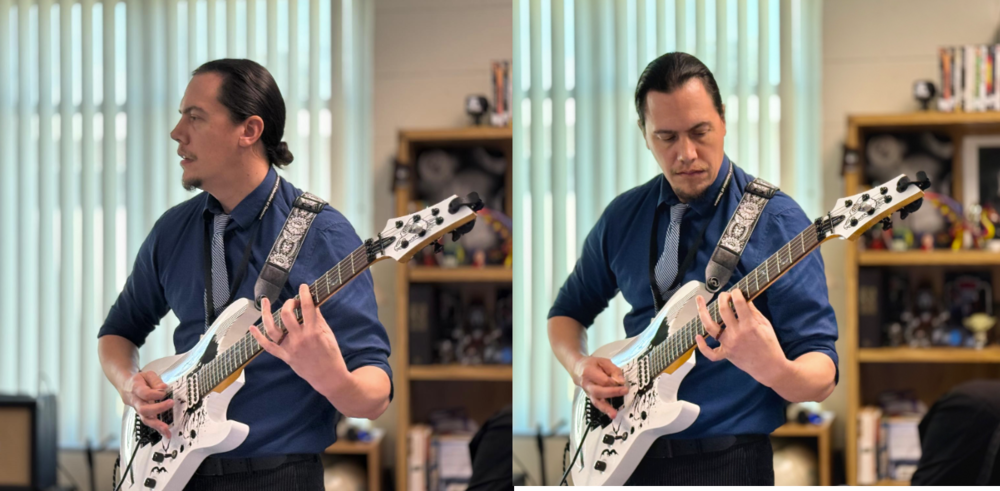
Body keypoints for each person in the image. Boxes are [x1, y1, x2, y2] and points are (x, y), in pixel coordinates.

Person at [97, 59, 392, 490]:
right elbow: (118, 333)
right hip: (174, 472)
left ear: (249, 130)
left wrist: (335, 380)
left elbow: (377, 391)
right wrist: (129, 385)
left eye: (195, 117)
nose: (177, 132)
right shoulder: (172, 230)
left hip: (277, 476)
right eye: (181, 115)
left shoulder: (322, 234)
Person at [547, 52, 838, 486]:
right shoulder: (623, 216)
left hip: (728, 463)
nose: (686, 153)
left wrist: (774, 368)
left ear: (723, 120)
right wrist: (579, 367)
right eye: (666, 136)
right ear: (645, 135)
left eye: (700, 131)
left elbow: (823, 375)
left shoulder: (777, 222)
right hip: (624, 459)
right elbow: (566, 313)